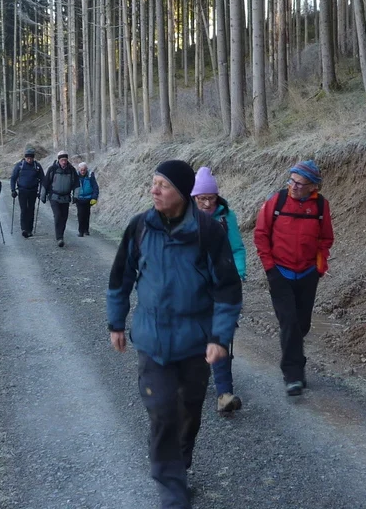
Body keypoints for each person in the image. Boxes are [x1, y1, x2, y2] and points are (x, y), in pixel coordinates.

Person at [107, 160, 243, 509]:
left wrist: (218, 337)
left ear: (182, 194)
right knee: (163, 411)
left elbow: (227, 289)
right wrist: (116, 323)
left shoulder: (208, 232)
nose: (154, 190)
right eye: (153, 183)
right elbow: (120, 278)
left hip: (194, 342)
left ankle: (180, 468)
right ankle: (170, 486)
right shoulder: (140, 227)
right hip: (152, 341)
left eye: (162, 185)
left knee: (188, 412)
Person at [253, 159, 333, 396]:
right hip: (280, 272)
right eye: (292, 181)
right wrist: (270, 269)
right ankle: (293, 374)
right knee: (289, 322)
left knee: (302, 324)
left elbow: (326, 239)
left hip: (308, 273)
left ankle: (293, 357)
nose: (294, 186)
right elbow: (261, 235)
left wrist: (319, 267)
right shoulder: (276, 201)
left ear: (313, 186)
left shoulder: (320, 206)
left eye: (300, 183)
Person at [191, 166, 246, 415]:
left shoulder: (226, 217)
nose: (206, 203)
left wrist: (238, 273)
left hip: (221, 287)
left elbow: (237, 248)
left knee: (220, 337)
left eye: (210, 198)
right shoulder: (183, 217)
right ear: (193, 197)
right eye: (201, 198)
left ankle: (224, 394)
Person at [42, 150, 79, 247]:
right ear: (58, 160)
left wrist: (75, 196)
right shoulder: (52, 169)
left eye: (65, 160)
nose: (64, 162)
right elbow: (45, 183)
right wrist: (42, 195)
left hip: (66, 197)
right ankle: (59, 237)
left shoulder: (71, 170)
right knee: (58, 215)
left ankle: (61, 235)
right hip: (54, 197)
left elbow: (76, 184)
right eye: (62, 160)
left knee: (64, 217)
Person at [9, 146, 44, 239]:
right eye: (27, 158)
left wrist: (41, 191)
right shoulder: (19, 165)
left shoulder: (37, 166)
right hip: (22, 190)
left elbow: (43, 179)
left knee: (31, 210)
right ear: (25, 157)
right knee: (24, 209)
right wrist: (13, 190)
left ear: (33, 157)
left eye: (31, 158)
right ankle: (24, 229)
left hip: (33, 191)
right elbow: (13, 178)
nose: (29, 160)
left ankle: (30, 230)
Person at [74, 162, 99, 237]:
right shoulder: (75, 176)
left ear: (86, 169)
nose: (82, 171)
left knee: (87, 214)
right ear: (79, 169)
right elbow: (72, 186)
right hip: (79, 198)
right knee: (80, 214)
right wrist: (73, 196)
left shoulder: (90, 176)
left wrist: (94, 197)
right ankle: (81, 231)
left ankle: (86, 229)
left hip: (88, 198)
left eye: (84, 170)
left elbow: (95, 187)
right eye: (81, 170)